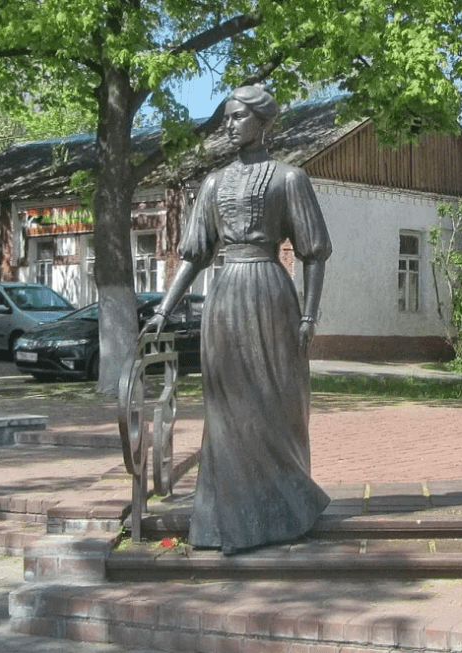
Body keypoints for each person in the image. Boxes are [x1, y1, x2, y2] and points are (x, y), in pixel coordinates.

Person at [144, 85, 332, 555]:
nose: (227, 126)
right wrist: (164, 309)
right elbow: (193, 255)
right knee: (225, 407)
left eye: (236, 117)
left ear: (261, 122)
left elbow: (314, 253)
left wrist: (309, 314)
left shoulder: (289, 179)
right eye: (226, 118)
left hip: (270, 294)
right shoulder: (211, 184)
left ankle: (282, 505)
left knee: (274, 401)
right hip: (224, 298)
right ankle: (220, 519)